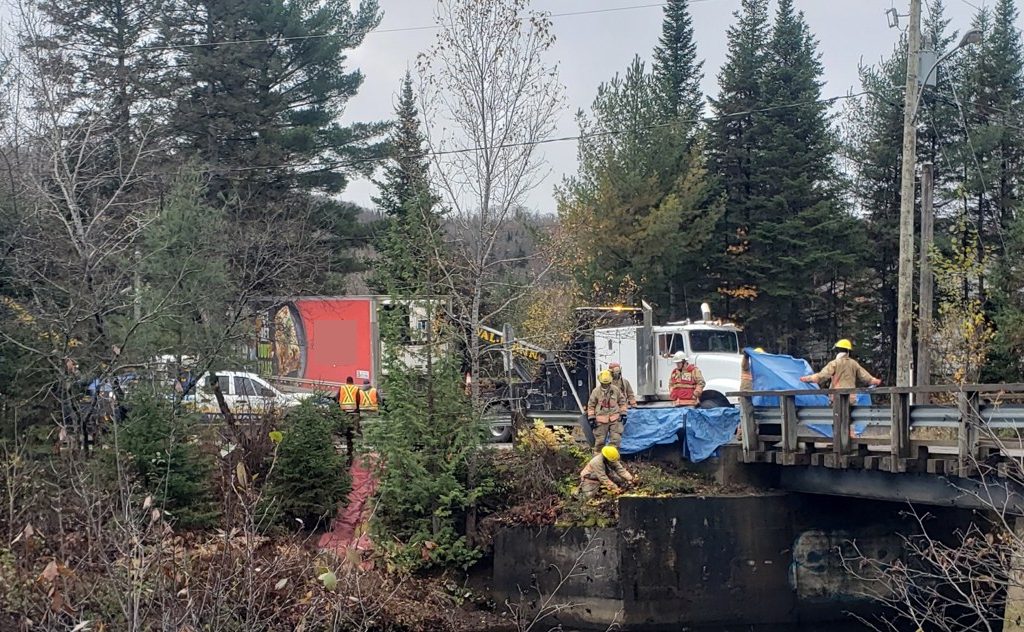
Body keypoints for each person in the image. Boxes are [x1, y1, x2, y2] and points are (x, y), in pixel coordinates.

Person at [799, 339, 882, 394]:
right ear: (848, 351)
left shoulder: (834, 364)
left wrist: (806, 379)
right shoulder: (854, 364)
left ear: (837, 350)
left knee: (837, 419)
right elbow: (866, 377)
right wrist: (874, 381)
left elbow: (821, 377)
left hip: (837, 397)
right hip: (851, 397)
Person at [587, 369, 627, 449]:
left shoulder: (615, 390)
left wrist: (623, 413)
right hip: (601, 421)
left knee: (616, 441)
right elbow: (591, 405)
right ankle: (598, 460)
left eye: (607, 383)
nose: (605, 385)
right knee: (599, 442)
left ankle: (613, 459)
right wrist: (591, 418)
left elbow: (622, 401)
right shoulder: (596, 391)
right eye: (604, 383)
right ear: (600, 382)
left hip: (615, 419)